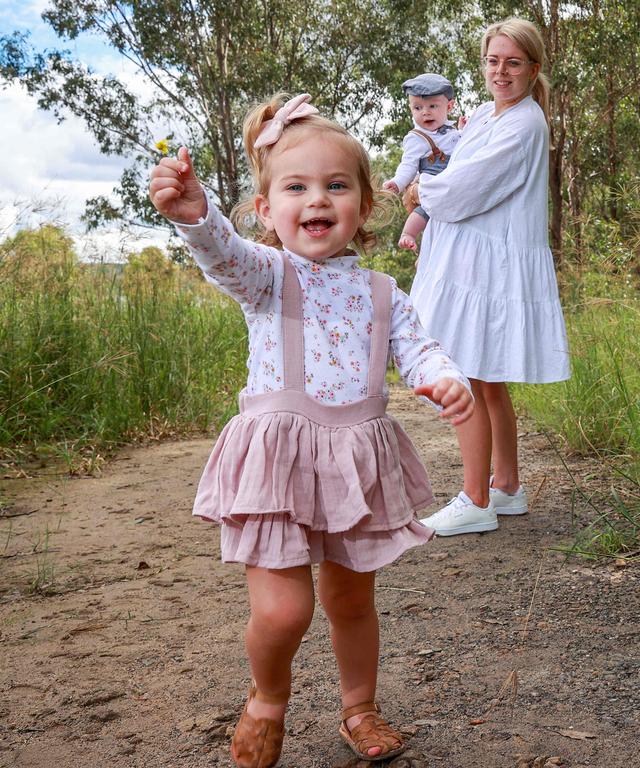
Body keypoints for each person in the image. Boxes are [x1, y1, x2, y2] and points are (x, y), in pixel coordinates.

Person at [148, 92, 474, 767]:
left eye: (335, 185)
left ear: (362, 205)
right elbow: (222, 254)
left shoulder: (384, 292)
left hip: (357, 462)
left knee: (352, 600)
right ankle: (268, 697)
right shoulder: (268, 276)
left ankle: (359, 706)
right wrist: (194, 216)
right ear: (267, 210)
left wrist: (444, 380)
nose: (317, 200)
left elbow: (419, 348)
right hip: (279, 465)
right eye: (296, 187)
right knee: (284, 612)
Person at [413, 18, 570, 536]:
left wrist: (422, 192)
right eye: (493, 60)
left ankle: (475, 499)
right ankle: (507, 486)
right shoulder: (485, 114)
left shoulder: (525, 123)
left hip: (490, 265)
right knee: (486, 377)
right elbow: (454, 170)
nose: (501, 71)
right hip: (473, 260)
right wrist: (432, 181)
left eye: (513, 62)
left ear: (533, 68)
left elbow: (462, 190)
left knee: (466, 374)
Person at [382, 73, 463, 252]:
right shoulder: (416, 138)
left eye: (432, 106)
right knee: (424, 211)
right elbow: (408, 165)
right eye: (418, 108)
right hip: (433, 185)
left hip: (455, 186)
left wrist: (464, 130)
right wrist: (397, 182)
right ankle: (408, 234)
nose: (425, 112)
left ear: (449, 106)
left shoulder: (452, 131)